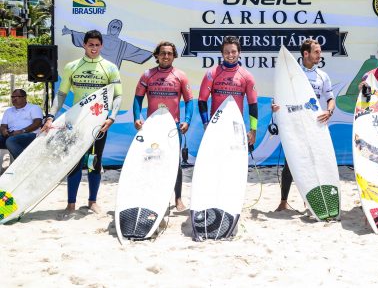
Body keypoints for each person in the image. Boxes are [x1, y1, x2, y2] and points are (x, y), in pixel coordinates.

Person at [41, 30, 123, 217]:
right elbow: (61, 94)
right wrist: (51, 116)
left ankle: (92, 202)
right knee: (74, 163)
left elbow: (118, 95)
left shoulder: (110, 68)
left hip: (98, 123)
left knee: (94, 163)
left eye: (97, 45)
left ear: (101, 46)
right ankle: (71, 204)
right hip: (77, 122)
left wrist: (112, 117)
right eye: (90, 44)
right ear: (84, 45)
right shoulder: (72, 66)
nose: (93, 48)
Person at [271, 39, 335, 211]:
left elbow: (330, 99)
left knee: (316, 162)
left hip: (315, 125)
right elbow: (279, 100)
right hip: (295, 126)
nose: (319, 54)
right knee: (290, 163)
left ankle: (310, 201)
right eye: (316, 51)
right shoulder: (292, 75)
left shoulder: (323, 76)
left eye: (319, 51)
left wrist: (329, 112)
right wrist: (275, 107)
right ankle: (283, 202)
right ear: (305, 53)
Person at [133, 41, 193, 212]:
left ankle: (178, 199)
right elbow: (138, 98)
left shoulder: (180, 76)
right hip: (153, 126)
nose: (166, 56)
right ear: (156, 55)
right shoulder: (147, 75)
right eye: (163, 53)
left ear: (174, 56)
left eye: (169, 53)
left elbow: (189, 101)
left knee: (175, 163)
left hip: (173, 127)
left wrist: (187, 120)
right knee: (153, 160)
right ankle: (155, 195)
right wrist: (137, 117)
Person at [198, 36, 258, 146]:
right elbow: (202, 100)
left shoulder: (247, 76)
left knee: (235, 162)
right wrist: (206, 124)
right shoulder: (212, 73)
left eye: (234, 51)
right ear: (222, 53)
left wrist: (253, 130)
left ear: (239, 52)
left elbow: (253, 104)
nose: (230, 55)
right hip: (215, 125)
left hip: (236, 126)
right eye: (226, 52)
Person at [63, 19, 153, 69]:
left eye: (117, 27)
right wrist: (70, 32)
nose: (115, 29)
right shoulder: (99, 38)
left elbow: (137, 52)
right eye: (113, 26)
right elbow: (83, 37)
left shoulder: (122, 45)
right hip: (92, 72)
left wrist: (155, 52)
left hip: (110, 77)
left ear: (119, 30)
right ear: (109, 27)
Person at [1, 89, 43, 160]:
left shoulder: (34, 108)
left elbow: (37, 123)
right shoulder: (8, 111)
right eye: (12, 97)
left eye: (16, 97)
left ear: (24, 97)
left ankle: (24, 163)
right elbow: (3, 126)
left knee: (11, 141)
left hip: (30, 135)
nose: (14, 99)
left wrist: (22, 131)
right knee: (10, 139)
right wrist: (4, 131)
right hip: (11, 134)